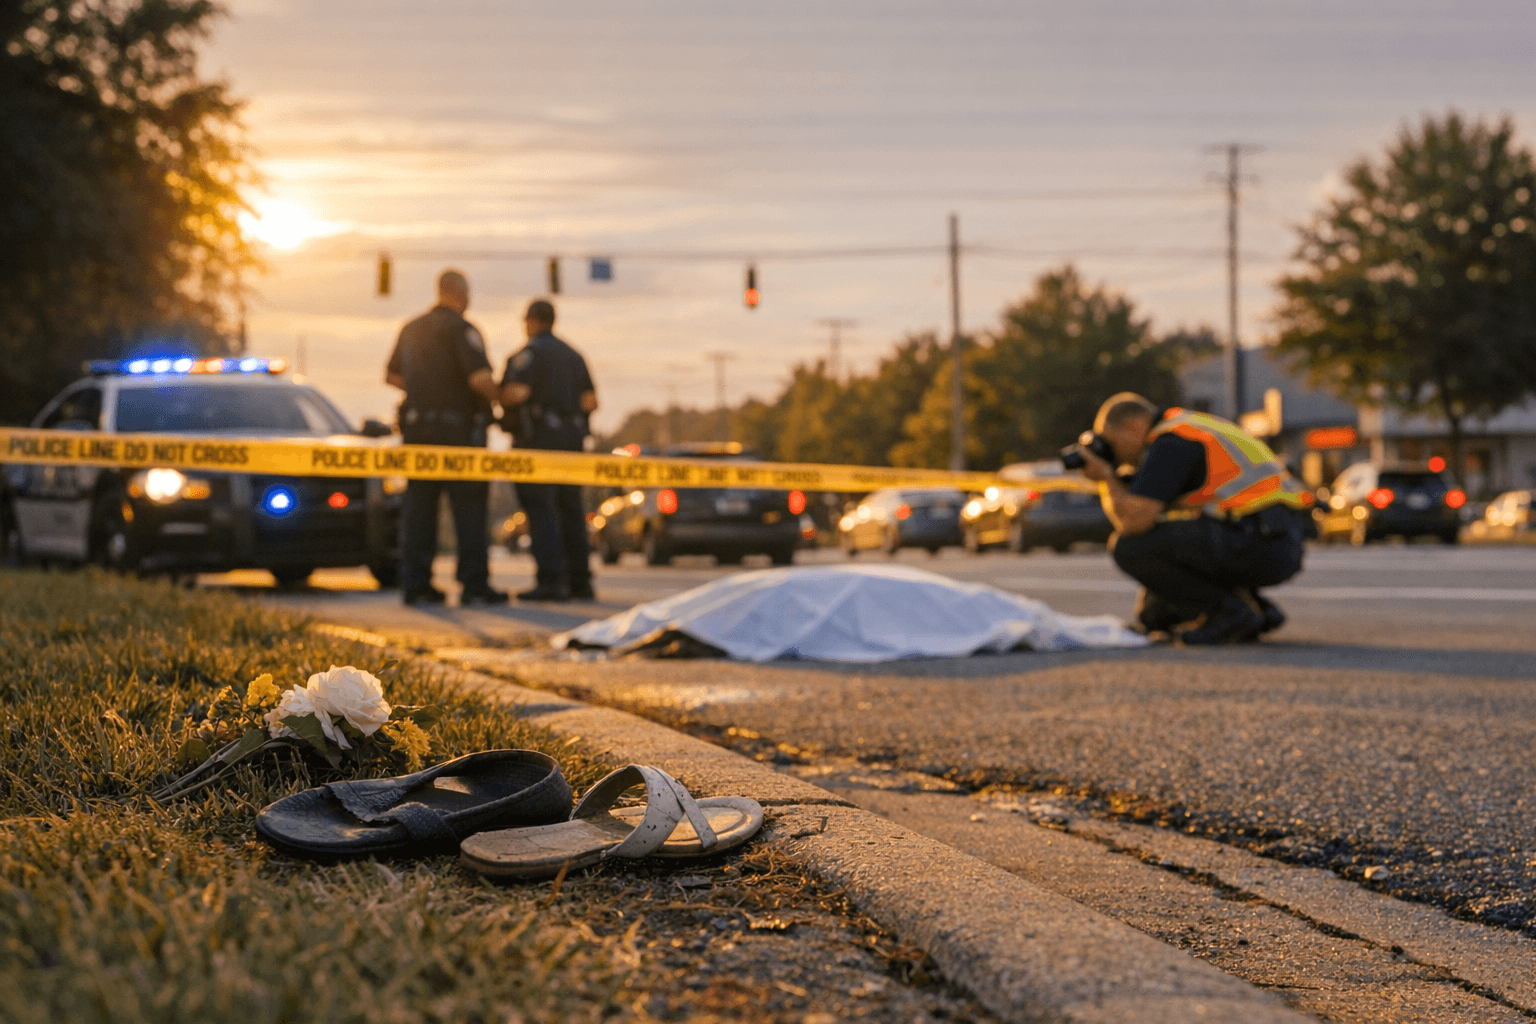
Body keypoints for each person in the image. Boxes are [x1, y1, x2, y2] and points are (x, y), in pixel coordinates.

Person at [1074, 392, 1310, 644]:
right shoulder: (1189, 426)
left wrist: (1106, 478)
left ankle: (1231, 612)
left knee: (1129, 548)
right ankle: (1257, 609)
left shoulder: (1171, 442)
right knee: (1155, 616)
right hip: (1278, 540)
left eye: (1111, 444)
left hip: (1258, 541)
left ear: (1133, 427)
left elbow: (1133, 524)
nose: (1112, 454)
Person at [384, 269, 508, 607]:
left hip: (417, 431)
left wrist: (424, 389)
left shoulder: (411, 328)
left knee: (419, 508)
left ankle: (416, 585)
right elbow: (480, 379)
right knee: (468, 510)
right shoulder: (462, 329)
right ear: (459, 293)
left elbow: (392, 375)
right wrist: (501, 398)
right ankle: (474, 586)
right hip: (457, 434)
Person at [501, 299, 598, 602]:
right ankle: (580, 581)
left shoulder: (527, 355)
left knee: (541, 510)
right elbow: (591, 401)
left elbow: (515, 393)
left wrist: (503, 400)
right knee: (571, 507)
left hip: (537, 443)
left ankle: (550, 582)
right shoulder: (574, 356)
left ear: (531, 321)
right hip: (572, 442)